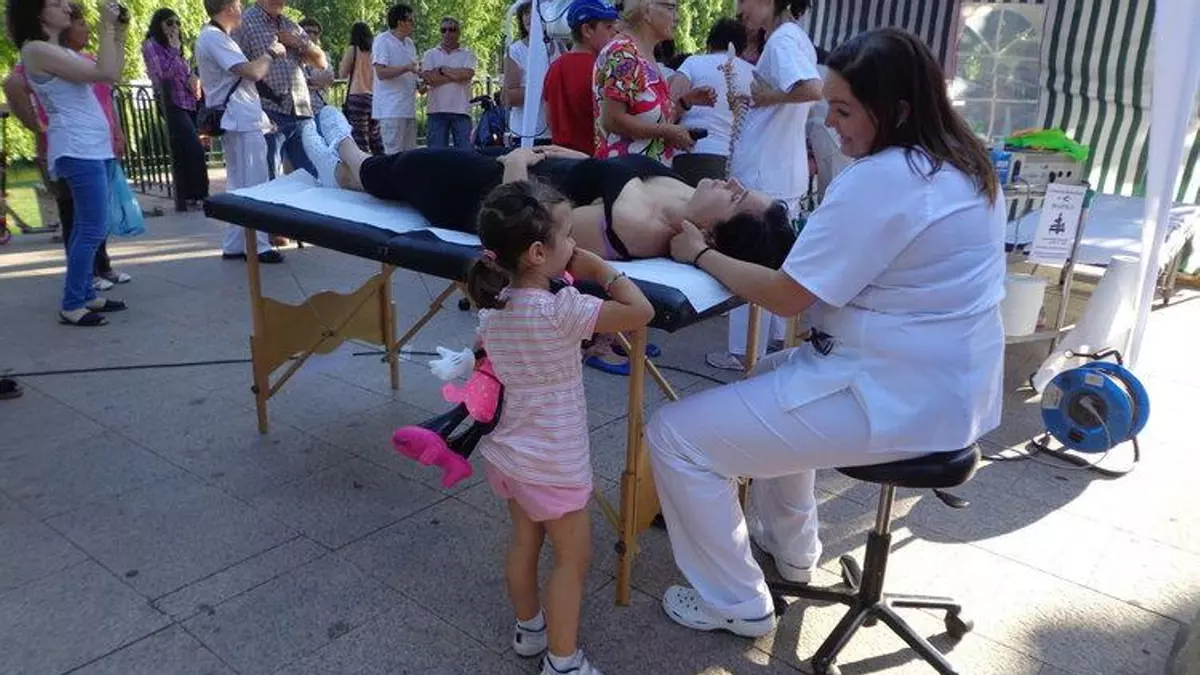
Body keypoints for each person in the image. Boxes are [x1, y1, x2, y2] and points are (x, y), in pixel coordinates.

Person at [647, 27, 1006, 638]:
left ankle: (736, 603)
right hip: (948, 389)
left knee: (675, 436)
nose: (831, 125)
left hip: (892, 395)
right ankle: (793, 551)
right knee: (768, 376)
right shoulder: (963, 165)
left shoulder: (884, 177)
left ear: (897, 110)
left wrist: (699, 253)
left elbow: (789, 296)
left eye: (842, 111)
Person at [466, 179, 654, 675]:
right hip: (554, 462)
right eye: (568, 235)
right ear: (536, 253)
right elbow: (641, 312)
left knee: (524, 541)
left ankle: (530, 629)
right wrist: (604, 271)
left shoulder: (493, 309)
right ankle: (564, 662)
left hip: (508, 455)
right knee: (573, 559)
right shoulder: (563, 310)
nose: (575, 244)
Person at [300, 105, 796, 266]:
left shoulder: (631, 228)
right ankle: (341, 169)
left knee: (401, 168)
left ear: (710, 234)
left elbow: (523, 229)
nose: (732, 181)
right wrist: (570, 155)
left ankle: (344, 152)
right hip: (531, 163)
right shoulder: (686, 192)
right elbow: (607, 172)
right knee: (401, 170)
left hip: (488, 193)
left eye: (736, 196)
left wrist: (517, 165)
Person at [709, 0, 824, 372]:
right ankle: (771, 341)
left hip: (765, 171)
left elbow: (812, 88)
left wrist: (768, 97)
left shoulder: (782, 39)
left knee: (749, 255)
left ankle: (744, 350)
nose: (739, 8)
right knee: (776, 256)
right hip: (779, 168)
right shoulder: (793, 38)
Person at [10, 0, 129, 326]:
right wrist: (106, 24)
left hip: (91, 147)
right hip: (77, 149)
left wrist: (118, 33)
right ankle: (73, 303)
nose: (66, 7)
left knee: (86, 227)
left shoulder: (59, 51)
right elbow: (104, 72)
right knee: (91, 228)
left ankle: (85, 295)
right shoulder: (35, 50)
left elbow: (112, 74)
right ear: (37, 12)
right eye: (57, 3)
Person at [197, 0, 286, 263]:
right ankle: (257, 245)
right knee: (254, 182)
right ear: (228, 8)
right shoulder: (214, 37)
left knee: (239, 183)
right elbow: (253, 72)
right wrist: (271, 52)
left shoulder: (215, 37)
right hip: (241, 120)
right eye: (238, 4)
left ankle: (236, 242)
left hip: (238, 119)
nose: (242, 9)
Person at [592, 0, 712, 164]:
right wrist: (667, 131)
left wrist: (685, 102)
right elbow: (612, 120)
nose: (677, 17)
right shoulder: (624, 52)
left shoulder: (643, 54)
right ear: (646, 11)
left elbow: (649, 117)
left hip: (645, 171)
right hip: (626, 172)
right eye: (670, 7)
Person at [233, 0, 326, 179]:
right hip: (268, 113)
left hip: (301, 112)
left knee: (314, 176)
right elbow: (236, 69)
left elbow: (321, 62)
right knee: (271, 178)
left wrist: (299, 43)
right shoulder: (243, 24)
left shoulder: (291, 25)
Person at [669, 18, 754, 186]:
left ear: (710, 43)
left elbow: (668, 108)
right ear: (743, 47)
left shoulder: (693, 63)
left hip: (692, 153)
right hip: (736, 162)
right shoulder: (753, 73)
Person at [143, 8, 209, 212]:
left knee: (183, 149)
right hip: (170, 102)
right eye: (169, 23)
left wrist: (193, 77)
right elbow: (161, 74)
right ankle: (200, 194)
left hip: (187, 101)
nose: (175, 27)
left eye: (177, 23)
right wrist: (173, 50)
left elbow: (183, 72)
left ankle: (186, 196)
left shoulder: (177, 46)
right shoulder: (151, 45)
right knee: (194, 146)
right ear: (159, 24)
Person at [543, 0, 618, 156]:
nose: (614, 32)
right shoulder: (602, 68)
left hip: (559, 157)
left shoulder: (554, 67)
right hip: (592, 159)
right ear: (587, 30)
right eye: (608, 27)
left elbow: (548, 118)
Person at [502, 0, 556, 146]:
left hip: (556, 133)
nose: (530, 17)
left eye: (535, 12)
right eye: (526, 12)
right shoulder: (515, 51)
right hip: (526, 134)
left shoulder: (560, 47)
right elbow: (509, 97)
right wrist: (542, 87)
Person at [419, 16, 477, 150]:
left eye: (452, 29)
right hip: (436, 111)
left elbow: (467, 74)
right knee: (436, 155)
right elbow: (428, 79)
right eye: (443, 30)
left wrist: (441, 70)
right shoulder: (430, 54)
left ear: (458, 32)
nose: (447, 33)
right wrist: (457, 75)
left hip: (462, 110)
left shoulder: (468, 54)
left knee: (466, 155)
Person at [371, 4, 419, 154]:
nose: (413, 24)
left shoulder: (409, 43)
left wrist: (420, 83)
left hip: (408, 108)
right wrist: (406, 68)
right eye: (411, 20)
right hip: (391, 109)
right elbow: (381, 72)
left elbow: (412, 71)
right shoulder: (382, 41)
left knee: (410, 155)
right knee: (394, 155)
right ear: (400, 22)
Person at [339, 21, 382, 154]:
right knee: (375, 137)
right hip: (374, 97)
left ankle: (364, 163)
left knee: (360, 138)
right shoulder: (375, 51)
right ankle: (382, 162)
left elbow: (342, 73)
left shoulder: (353, 49)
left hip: (357, 96)